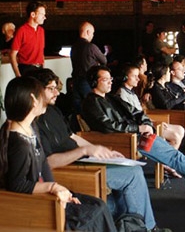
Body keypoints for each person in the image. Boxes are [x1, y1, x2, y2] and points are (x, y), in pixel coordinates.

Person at [26, 68, 170, 232]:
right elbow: (49, 162)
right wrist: (85, 151)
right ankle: (146, 228)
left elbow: (72, 136)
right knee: (132, 175)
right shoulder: (33, 122)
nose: (57, 93)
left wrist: (98, 150)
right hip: (68, 167)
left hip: (82, 160)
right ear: (36, 91)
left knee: (132, 168)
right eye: (50, 89)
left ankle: (135, 225)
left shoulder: (53, 110)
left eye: (56, 88)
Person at [82, 65, 185, 202]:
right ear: (94, 82)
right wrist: (138, 129)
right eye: (105, 79)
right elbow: (107, 125)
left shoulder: (112, 98)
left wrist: (145, 123)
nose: (110, 82)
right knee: (175, 158)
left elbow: (136, 112)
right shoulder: (91, 102)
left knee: (176, 158)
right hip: (126, 140)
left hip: (137, 137)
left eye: (110, 78)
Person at [0, 76, 116, 231]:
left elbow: (43, 164)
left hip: (46, 193)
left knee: (98, 204)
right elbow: (18, 184)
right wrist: (53, 188)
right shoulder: (18, 141)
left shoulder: (31, 127)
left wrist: (63, 193)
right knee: (91, 216)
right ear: (32, 99)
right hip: (33, 203)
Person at [117, 63, 185, 150]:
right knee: (175, 137)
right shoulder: (122, 94)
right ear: (125, 77)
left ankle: (167, 160)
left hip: (146, 122)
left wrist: (154, 121)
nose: (138, 79)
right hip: (140, 129)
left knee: (180, 129)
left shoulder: (132, 92)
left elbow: (140, 112)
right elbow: (131, 117)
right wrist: (153, 123)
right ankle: (166, 162)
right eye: (134, 76)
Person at [71, 21, 107, 119]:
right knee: (92, 109)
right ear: (87, 32)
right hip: (87, 82)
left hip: (75, 81)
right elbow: (104, 60)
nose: (93, 35)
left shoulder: (73, 47)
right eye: (92, 33)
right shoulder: (91, 47)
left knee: (78, 112)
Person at [10, 2, 46, 77]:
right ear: (32, 14)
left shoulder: (41, 31)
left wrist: (43, 67)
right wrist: (18, 75)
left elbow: (41, 52)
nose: (44, 17)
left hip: (39, 68)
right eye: (42, 14)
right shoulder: (22, 30)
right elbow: (13, 54)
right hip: (26, 69)